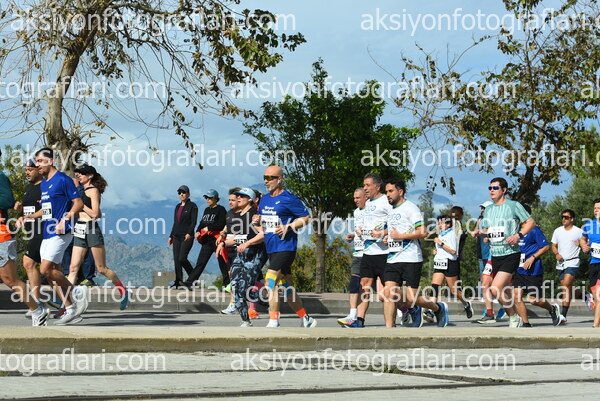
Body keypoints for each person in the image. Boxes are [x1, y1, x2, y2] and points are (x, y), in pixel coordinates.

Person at [20, 148, 84, 325]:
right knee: (51, 274)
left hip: (62, 231)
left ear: (51, 161)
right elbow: (46, 210)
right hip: (47, 232)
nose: (38, 165)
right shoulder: (44, 183)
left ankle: (77, 293)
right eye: (37, 162)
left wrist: (65, 219)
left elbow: (78, 203)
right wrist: (29, 217)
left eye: (41, 161)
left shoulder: (63, 179)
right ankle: (71, 310)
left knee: (44, 269)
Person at [381, 178, 449, 328]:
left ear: (400, 192)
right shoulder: (390, 211)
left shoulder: (411, 208)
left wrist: (401, 236)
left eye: (391, 191)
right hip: (392, 259)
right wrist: (388, 239)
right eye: (386, 192)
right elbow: (394, 233)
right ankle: (388, 331)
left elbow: (423, 232)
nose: (388, 195)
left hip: (410, 259)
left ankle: (438, 308)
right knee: (388, 294)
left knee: (411, 298)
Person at [257, 165, 317, 328]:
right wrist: (257, 220)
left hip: (285, 247)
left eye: (270, 178)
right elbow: (264, 222)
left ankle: (274, 321)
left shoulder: (289, 198)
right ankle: (306, 319)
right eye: (265, 177)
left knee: (270, 281)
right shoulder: (264, 199)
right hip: (271, 247)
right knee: (287, 287)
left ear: (280, 179)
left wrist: (288, 227)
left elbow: (306, 218)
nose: (266, 181)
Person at [67, 163, 129, 311]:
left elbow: (96, 214)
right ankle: (66, 303)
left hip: (91, 229)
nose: (78, 175)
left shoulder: (93, 191)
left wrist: (81, 205)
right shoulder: (80, 190)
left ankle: (123, 291)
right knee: (73, 268)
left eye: (82, 173)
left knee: (101, 269)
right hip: (79, 229)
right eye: (77, 173)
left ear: (90, 176)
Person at [478, 177, 535, 328]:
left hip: (510, 253)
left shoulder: (513, 205)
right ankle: (514, 317)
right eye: (490, 188)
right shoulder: (488, 209)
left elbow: (530, 222)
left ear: (504, 190)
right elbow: (487, 230)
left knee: (495, 288)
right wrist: (481, 234)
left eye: (495, 188)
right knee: (501, 291)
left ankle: (514, 317)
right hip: (495, 254)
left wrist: (518, 235)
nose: (492, 190)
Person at [1, 153, 46, 326]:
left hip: (7, 234)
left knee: (11, 278)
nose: (27, 172)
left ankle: (37, 308)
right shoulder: (28, 188)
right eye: (25, 169)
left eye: (30, 169)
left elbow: (7, 199)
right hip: (26, 231)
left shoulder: (0, 176)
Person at [342, 173, 391, 328]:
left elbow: (397, 222)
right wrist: (358, 233)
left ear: (377, 187)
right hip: (368, 252)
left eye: (368, 185)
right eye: (364, 185)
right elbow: (367, 226)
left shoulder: (386, 201)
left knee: (386, 294)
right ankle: (359, 320)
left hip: (384, 253)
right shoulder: (367, 204)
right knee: (364, 286)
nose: (365, 188)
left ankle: (409, 308)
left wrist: (385, 233)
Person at [225, 188, 268, 327]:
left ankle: (268, 302)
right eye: (237, 196)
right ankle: (246, 321)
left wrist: (247, 243)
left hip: (256, 255)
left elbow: (263, 234)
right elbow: (238, 236)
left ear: (250, 199)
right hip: (241, 255)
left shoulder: (254, 215)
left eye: (242, 196)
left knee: (243, 289)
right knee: (234, 287)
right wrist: (223, 243)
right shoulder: (239, 215)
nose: (238, 198)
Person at [513, 205, 561, 327]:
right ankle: (526, 323)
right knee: (516, 296)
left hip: (533, 271)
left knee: (534, 300)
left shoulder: (534, 230)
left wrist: (532, 257)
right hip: (519, 270)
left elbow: (545, 246)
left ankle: (552, 309)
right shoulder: (516, 231)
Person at [430, 215, 473, 319]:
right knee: (435, 287)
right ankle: (431, 310)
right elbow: (443, 249)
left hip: (450, 263)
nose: (439, 225)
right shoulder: (440, 235)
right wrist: (437, 251)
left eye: (442, 223)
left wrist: (441, 243)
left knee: (454, 291)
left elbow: (453, 251)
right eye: (438, 223)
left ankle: (466, 304)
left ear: (448, 224)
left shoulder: (451, 235)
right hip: (440, 263)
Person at [184, 189, 227, 288]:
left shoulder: (221, 209)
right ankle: (190, 282)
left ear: (216, 199)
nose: (207, 199)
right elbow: (202, 223)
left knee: (222, 262)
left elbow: (222, 224)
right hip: (207, 240)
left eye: (210, 198)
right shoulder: (206, 210)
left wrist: (209, 228)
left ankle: (227, 284)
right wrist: (198, 231)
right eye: (206, 197)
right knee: (200, 262)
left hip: (217, 239)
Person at [338, 188, 367, 326]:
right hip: (358, 253)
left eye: (358, 198)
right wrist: (353, 236)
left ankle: (405, 308)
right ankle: (353, 315)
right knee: (355, 283)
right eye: (354, 198)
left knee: (382, 292)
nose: (355, 200)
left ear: (366, 197)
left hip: (372, 254)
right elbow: (359, 231)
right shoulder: (356, 212)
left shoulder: (373, 211)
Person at [551, 209, 583, 324]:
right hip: (560, 263)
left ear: (572, 219)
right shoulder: (557, 231)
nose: (563, 219)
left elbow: (586, 244)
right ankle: (584, 295)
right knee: (567, 287)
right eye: (562, 217)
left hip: (573, 262)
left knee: (565, 286)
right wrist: (556, 254)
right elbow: (553, 246)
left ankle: (563, 315)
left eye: (566, 217)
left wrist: (581, 244)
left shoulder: (579, 231)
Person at [217, 187, 242, 315]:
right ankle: (234, 304)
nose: (230, 202)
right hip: (229, 249)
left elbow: (241, 232)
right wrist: (222, 234)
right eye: (229, 200)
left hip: (239, 248)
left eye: (233, 200)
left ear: (239, 200)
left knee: (236, 277)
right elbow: (227, 226)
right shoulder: (229, 213)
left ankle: (237, 304)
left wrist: (227, 241)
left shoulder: (243, 214)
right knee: (232, 277)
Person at [168, 185, 198, 288]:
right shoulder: (177, 206)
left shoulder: (193, 206)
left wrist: (189, 233)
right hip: (176, 236)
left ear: (188, 194)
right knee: (176, 260)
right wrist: (171, 236)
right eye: (179, 193)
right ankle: (178, 281)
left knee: (182, 258)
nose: (181, 194)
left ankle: (193, 278)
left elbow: (193, 222)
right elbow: (175, 223)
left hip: (187, 236)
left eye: (184, 192)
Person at [580, 198, 600, 328]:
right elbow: (583, 239)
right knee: (596, 296)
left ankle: (595, 326)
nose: (596, 210)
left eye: (599, 208)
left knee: (599, 295)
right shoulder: (589, 225)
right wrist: (584, 246)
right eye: (595, 208)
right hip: (594, 263)